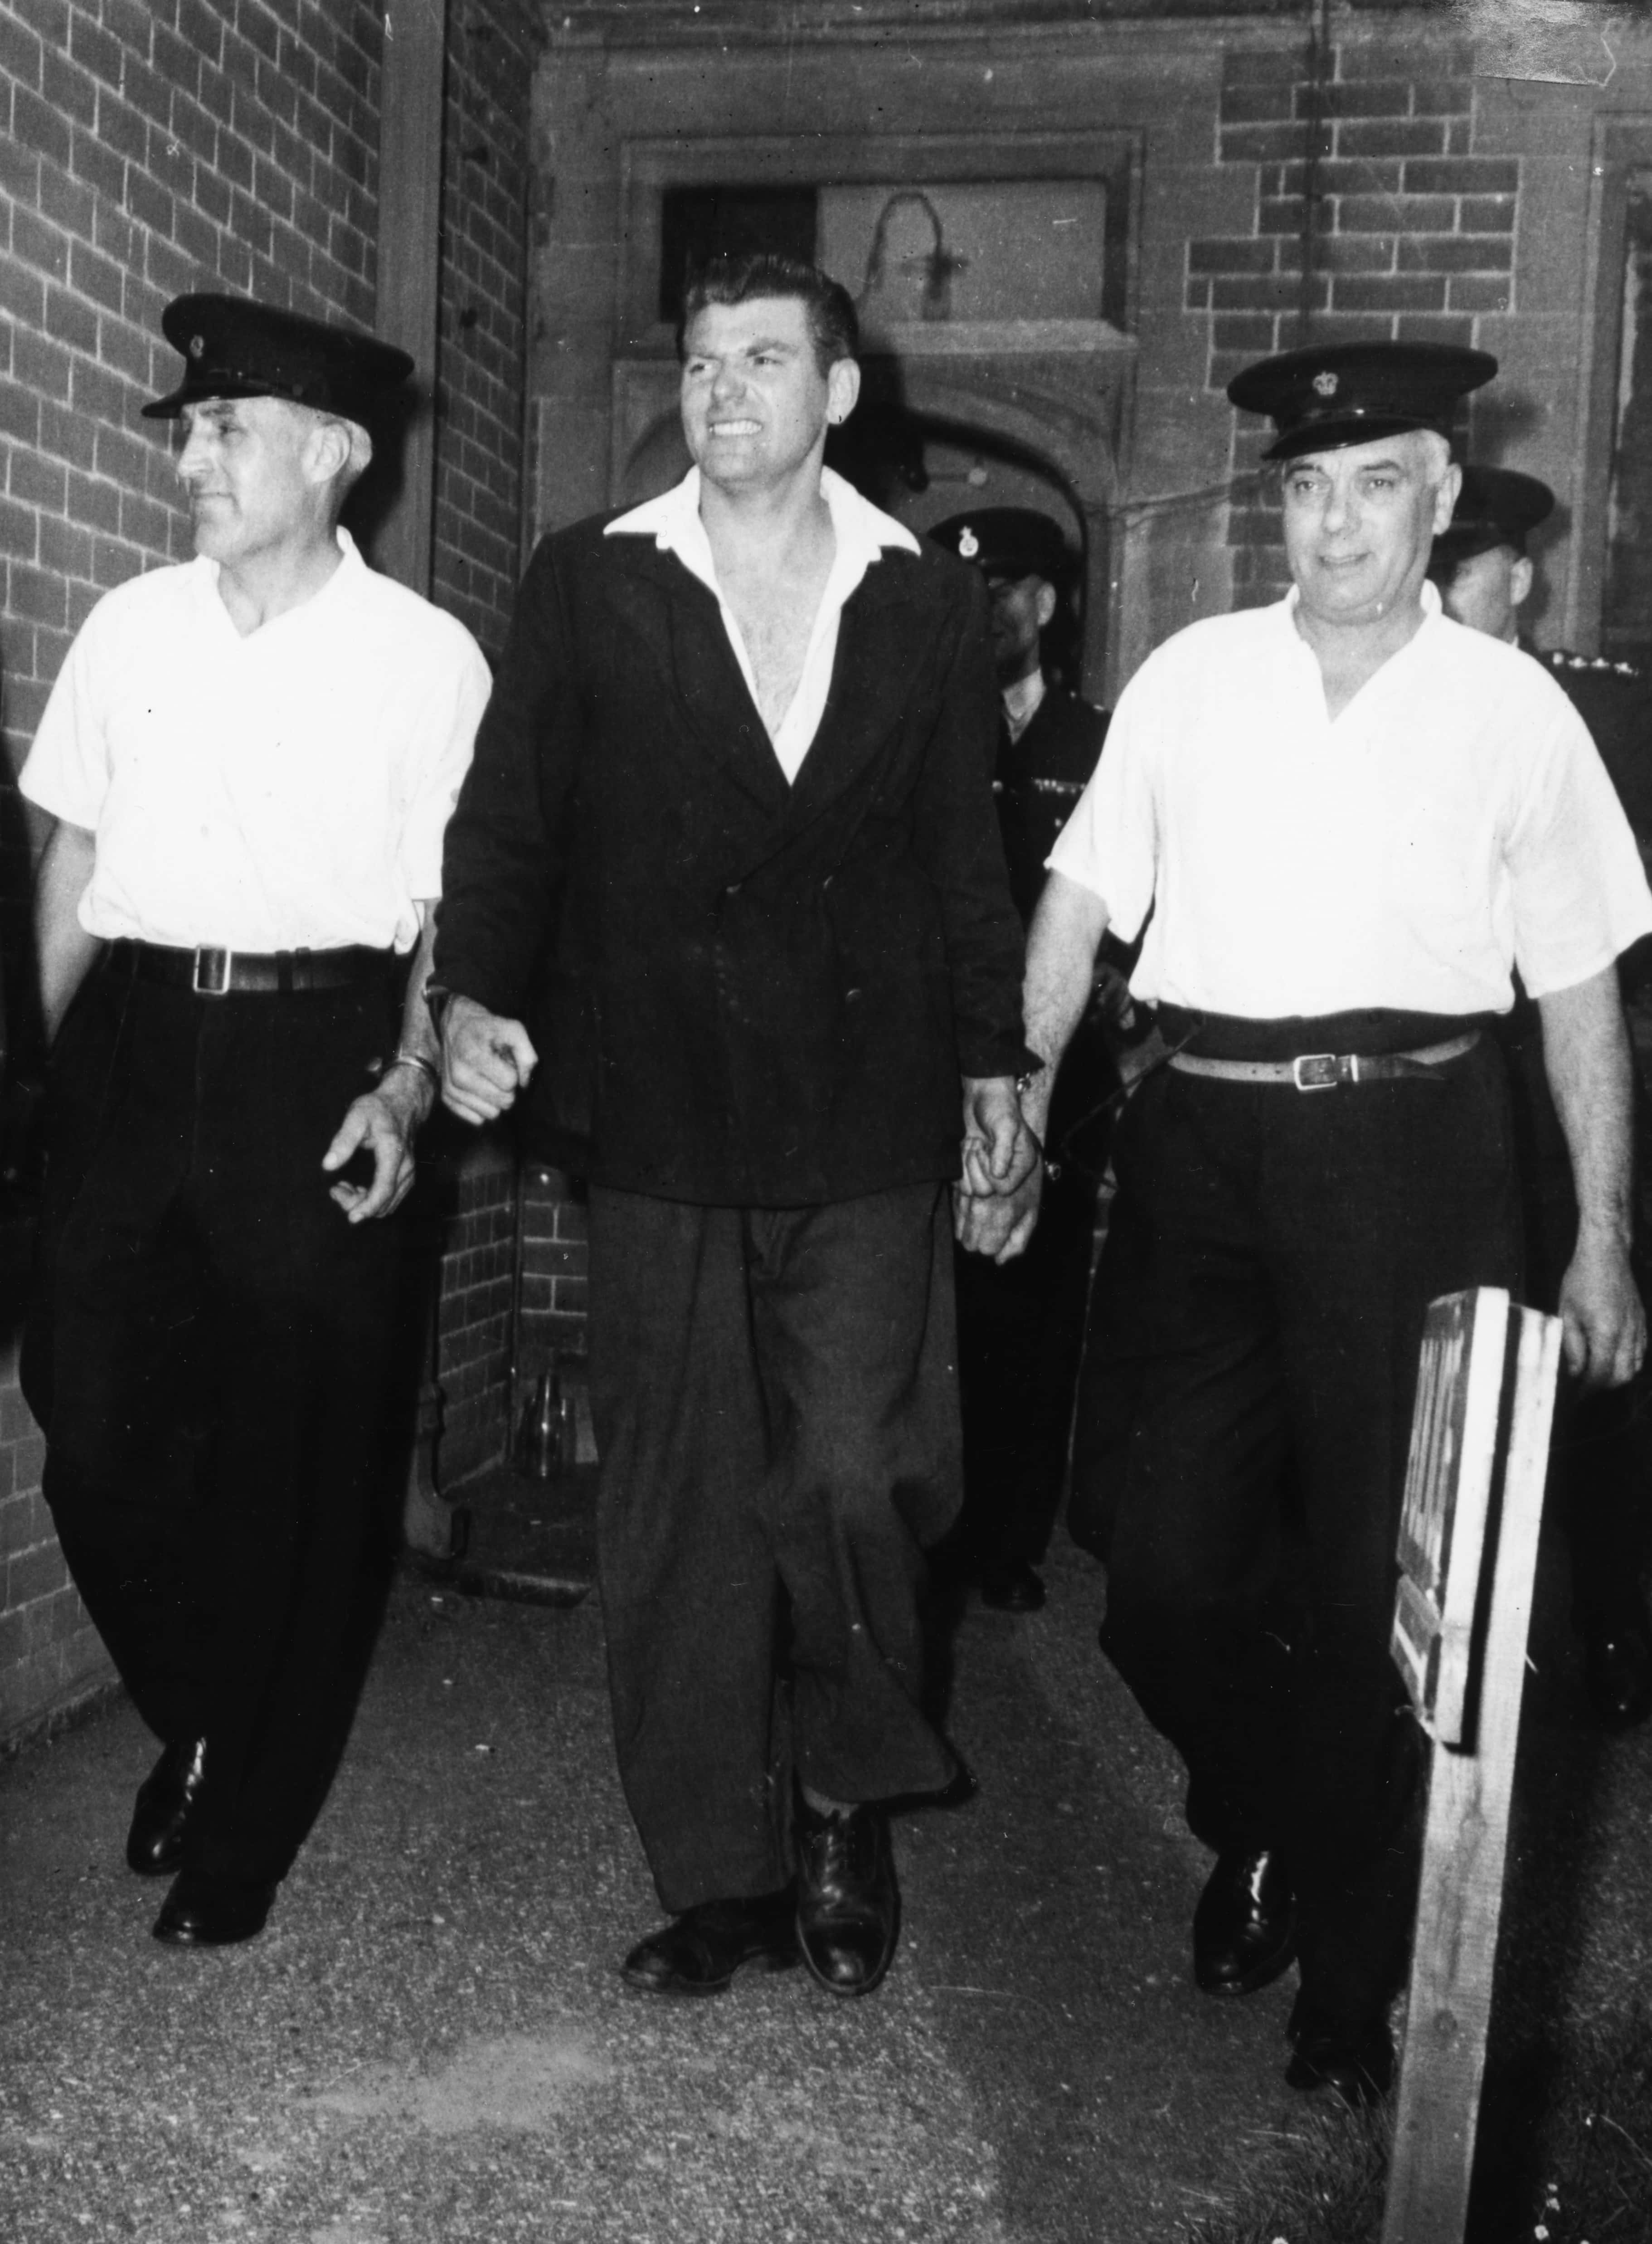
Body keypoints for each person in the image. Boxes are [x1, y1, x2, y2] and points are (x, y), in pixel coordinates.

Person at [979, 341, 1652, 2102]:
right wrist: (1019, 1076)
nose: (1334, 520)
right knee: (1153, 1565)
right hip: (1200, 1142)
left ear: (1438, 499)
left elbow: (1573, 991)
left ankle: (1348, 1974)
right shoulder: (1190, 681)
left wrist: (1599, 1235)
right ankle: (1273, 1808)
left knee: (1396, 1580)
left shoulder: (1512, 713)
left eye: (1372, 483)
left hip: (1423, 1151)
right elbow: (1075, 897)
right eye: (1302, 484)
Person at [428, 253, 1033, 2001]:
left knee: (853, 1469)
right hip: (662, 1114)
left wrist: (996, 1071)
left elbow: (957, 863)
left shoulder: (923, 602)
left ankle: (845, 1793)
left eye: (765, 362)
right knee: (684, 1505)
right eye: (702, 364)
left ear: (839, 391)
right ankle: (724, 1872)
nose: (726, 393)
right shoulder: (593, 581)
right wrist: (473, 996)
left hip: (867, 1116)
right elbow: (512, 824)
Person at [19, 294, 490, 1947]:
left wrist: (408, 1082)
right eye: (190, 431)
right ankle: (208, 1714)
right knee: (89, 1424)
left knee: (297, 1456)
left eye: (226, 431)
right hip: (134, 1052)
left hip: (316, 1057)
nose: (191, 460)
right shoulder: (129, 628)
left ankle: (246, 1828)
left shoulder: (429, 660)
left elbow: (453, 915)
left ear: (336, 455)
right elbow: (72, 862)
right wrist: (25, 1071)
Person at [1429, 465, 1652, 1726]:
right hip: (1446, 1086)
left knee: (1595, 1360)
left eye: (1456, 570)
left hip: (1578, 1075)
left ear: (1515, 577)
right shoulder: (1392, 703)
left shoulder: (1603, 712)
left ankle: (1609, 1612)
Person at [927, 508, 1112, 1613]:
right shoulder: (929, 725)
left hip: (1060, 1065)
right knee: (937, 1297)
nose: (984, 607)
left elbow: (1137, 898)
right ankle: (935, 1531)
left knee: (1033, 1303)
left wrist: (1117, 980)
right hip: (936, 1056)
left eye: (1004, 588)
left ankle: (1006, 1540)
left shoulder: (1096, 742)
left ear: (1044, 605)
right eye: (966, 588)